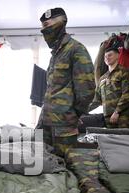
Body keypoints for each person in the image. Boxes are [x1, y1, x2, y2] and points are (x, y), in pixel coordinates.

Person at [36, 8, 95, 156]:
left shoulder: (76, 49)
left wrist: (72, 114)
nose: (44, 30)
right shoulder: (56, 54)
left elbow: (86, 90)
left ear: (61, 23)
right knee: (45, 167)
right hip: (46, 122)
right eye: (42, 27)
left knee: (66, 167)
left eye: (47, 25)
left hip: (63, 126)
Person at [89, 47, 129, 128]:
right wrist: (81, 112)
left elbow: (128, 94)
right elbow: (97, 100)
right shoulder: (102, 78)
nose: (107, 58)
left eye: (110, 55)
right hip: (108, 117)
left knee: (124, 139)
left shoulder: (124, 72)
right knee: (110, 140)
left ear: (118, 56)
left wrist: (117, 112)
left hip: (123, 116)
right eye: (105, 56)